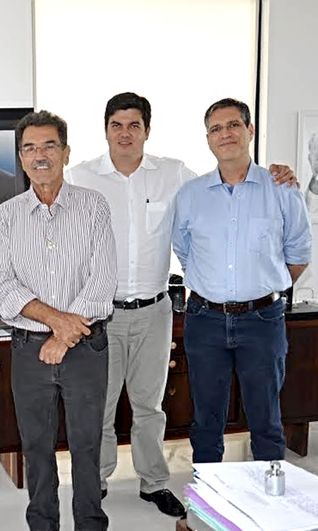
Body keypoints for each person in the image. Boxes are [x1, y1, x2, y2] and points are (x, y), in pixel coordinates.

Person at [67, 92, 299, 516]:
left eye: (134, 125)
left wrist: (279, 172)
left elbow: (225, 185)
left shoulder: (174, 175)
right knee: (99, 406)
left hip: (155, 311)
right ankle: (94, 482)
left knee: (150, 406)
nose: (125, 133)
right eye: (117, 125)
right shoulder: (81, 177)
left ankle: (154, 482)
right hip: (100, 313)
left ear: (147, 130)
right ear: (105, 130)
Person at [0, 110, 117, 531]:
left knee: (86, 446)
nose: (39, 155)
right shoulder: (7, 215)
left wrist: (63, 336)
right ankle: (43, 524)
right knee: (36, 448)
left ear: (66, 152)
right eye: (29, 148)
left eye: (49, 145)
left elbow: (102, 282)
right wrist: (54, 322)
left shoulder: (93, 206)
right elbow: (4, 287)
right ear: (21, 158)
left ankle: (90, 523)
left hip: (86, 347)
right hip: (29, 349)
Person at [173, 98, 312, 464]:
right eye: (216, 129)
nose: (225, 134)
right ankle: (207, 498)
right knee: (206, 422)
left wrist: (261, 286)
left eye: (233, 125)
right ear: (207, 138)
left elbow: (299, 252)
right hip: (205, 320)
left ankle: (268, 497)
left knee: (266, 420)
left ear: (249, 131)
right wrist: (216, 285)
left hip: (262, 320)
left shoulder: (281, 188)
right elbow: (184, 250)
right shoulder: (191, 195)